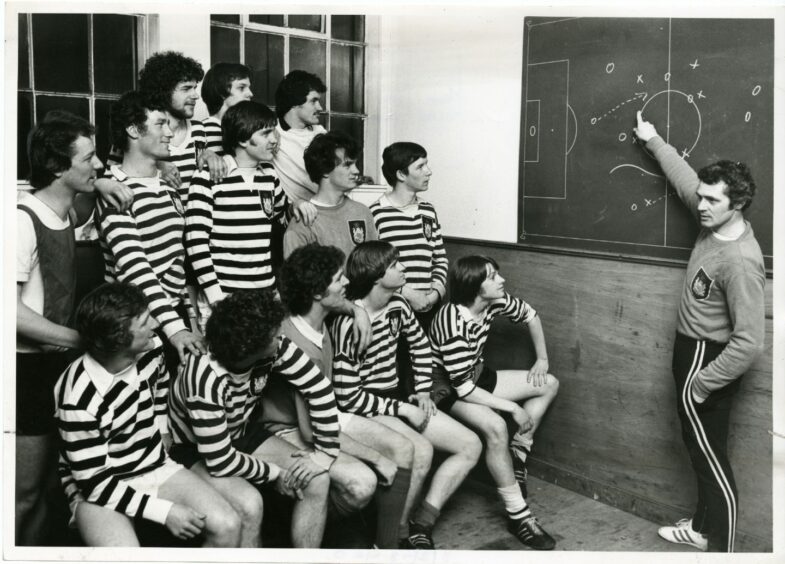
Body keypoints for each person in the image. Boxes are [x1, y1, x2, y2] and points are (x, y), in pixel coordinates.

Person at [634, 111, 765, 553]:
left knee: (710, 459)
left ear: (738, 205)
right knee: (700, 448)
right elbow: (684, 177)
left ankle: (723, 549)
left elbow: (749, 342)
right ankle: (703, 529)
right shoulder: (713, 218)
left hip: (708, 361)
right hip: (689, 350)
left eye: (712, 200)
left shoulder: (742, 262)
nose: (701, 205)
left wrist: (703, 384)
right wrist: (653, 140)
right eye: (703, 198)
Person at [15, 111, 132, 545]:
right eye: (89, 159)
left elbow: (90, 188)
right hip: (24, 372)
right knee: (23, 493)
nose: (99, 165)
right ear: (58, 168)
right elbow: (8, 314)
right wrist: (81, 342)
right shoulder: (20, 220)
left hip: (57, 367)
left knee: (51, 486)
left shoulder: (66, 207)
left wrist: (98, 183)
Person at [54, 282, 243, 547]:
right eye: (144, 322)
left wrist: (161, 425)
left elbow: (161, 381)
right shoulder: (77, 396)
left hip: (153, 465)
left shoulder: (150, 349)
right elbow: (95, 483)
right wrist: (164, 512)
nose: (155, 324)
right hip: (100, 485)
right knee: (126, 554)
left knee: (228, 525)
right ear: (120, 339)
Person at [329, 240, 483, 549]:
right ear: (375, 275)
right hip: (366, 406)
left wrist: (424, 389)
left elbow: (420, 344)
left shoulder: (398, 304)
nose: (404, 268)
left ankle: (419, 522)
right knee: (422, 450)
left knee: (470, 445)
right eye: (395, 265)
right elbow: (348, 398)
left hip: (397, 397)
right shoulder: (349, 323)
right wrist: (401, 409)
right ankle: (393, 537)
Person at [273, 243, 420, 548]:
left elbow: (337, 300)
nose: (347, 283)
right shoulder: (294, 342)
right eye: (339, 278)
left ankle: (386, 546)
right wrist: (376, 458)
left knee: (404, 449)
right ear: (317, 293)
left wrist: (356, 310)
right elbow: (311, 431)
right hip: (289, 428)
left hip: (326, 414)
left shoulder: (320, 316)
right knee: (361, 483)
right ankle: (313, 528)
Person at [167, 289, 340, 548]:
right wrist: (274, 473)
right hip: (196, 451)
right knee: (250, 505)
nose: (281, 337)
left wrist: (324, 454)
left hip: (240, 432)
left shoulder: (274, 347)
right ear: (250, 347)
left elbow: (319, 387)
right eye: (274, 335)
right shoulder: (204, 377)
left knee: (316, 478)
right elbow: (220, 461)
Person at [429, 255, 559, 549]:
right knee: (497, 426)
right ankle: (518, 515)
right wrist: (512, 407)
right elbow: (461, 389)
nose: (501, 280)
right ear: (475, 287)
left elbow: (531, 315)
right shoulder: (451, 321)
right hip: (445, 389)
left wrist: (542, 359)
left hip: (475, 376)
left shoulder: (493, 302)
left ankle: (517, 456)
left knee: (548, 383)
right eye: (492, 277)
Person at [97, 90, 205, 376]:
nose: (170, 133)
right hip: (135, 322)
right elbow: (137, 271)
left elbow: (176, 263)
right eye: (160, 124)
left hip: (172, 316)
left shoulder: (169, 185)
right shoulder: (116, 193)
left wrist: (188, 318)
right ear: (134, 130)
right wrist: (176, 330)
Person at [184, 100, 315, 326]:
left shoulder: (269, 177)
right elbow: (196, 243)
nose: (274, 139)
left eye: (274, 131)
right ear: (244, 138)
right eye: (266, 133)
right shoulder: (208, 178)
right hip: (225, 297)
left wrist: (297, 205)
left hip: (265, 295)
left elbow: (281, 214)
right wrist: (216, 297)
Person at [372, 141, 448, 396]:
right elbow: (374, 268)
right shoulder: (375, 214)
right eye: (421, 166)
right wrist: (408, 294)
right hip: (393, 310)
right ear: (401, 174)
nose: (429, 171)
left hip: (428, 309)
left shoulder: (428, 211)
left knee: (424, 379)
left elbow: (439, 259)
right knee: (398, 378)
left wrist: (434, 293)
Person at [109, 51, 225, 203]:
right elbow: (110, 182)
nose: (196, 95)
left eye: (195, 88)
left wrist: (212, 156)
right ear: (163, 92)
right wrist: (155, 167)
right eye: (186, 88)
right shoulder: (141, 134)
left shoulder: (203, 131)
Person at [283, 131, 378, 260]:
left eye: (355, 164)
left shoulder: (362, 212)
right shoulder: (304, 221)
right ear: (325, 171)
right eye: (348, 165)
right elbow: (295, 277)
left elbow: (376, 265)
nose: (356, 171)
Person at [273, 70, 328, 203]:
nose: (320, 107)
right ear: (294, 103)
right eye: (313, 101)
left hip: (326, 210)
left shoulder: (321, 133)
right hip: (293, 214)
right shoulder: (271, 133)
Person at [200, 62, 254, 155]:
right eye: (241, 88)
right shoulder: (202, 131)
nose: (250, 94)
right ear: (221, 92)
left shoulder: (244, 129)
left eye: (248, 88)